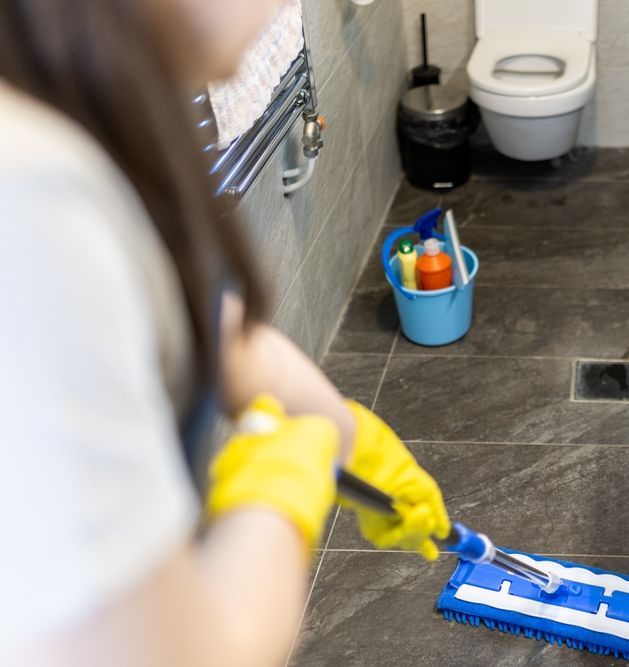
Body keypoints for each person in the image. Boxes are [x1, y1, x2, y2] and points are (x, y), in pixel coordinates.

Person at [0, 1, 449, 664]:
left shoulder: (97, 119)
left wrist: (360, 445)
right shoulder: (32, 202)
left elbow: (226, 338)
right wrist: (274, 489)